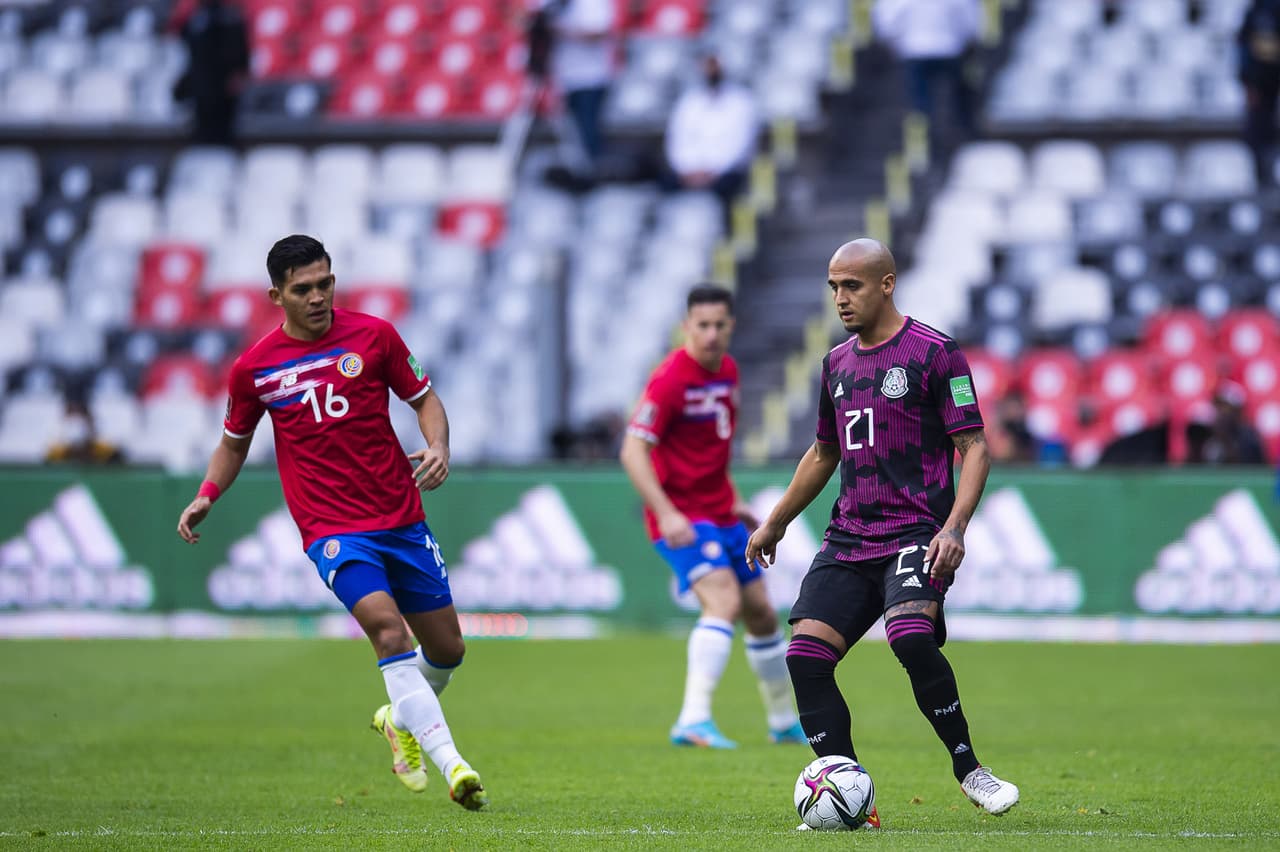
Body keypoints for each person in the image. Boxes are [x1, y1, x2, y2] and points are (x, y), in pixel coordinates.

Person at [176, 235, 487, 810]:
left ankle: (398, 720)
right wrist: (207, 494)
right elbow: (233, 442)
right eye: (303, 289)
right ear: (277, 296)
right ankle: (455, 766)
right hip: (332, 529)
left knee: (448, 650)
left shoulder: (375, 336)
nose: (317, 297)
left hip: (401, 517)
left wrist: (439, 444)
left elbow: (424, 399)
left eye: (325, 284)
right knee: (388, 632)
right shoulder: (254, 369)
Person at [745, 239, 1019, 828]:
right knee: (805, 657)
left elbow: (974, 446)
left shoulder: (936, 353)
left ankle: (971, 770)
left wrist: (955, 527)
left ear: (887, 284)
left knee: (911, 637)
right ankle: (850, 794)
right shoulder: (835, 364)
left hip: (917, 532)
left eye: (852, 285)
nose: (840, 298)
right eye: (834, 287)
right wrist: (777, 520)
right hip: (849, 537)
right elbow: (824, 451)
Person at [620, 284, 805, 749]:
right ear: (687, 326)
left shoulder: (728, 371)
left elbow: (713, 449)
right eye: (702, 325)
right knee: (723, 600)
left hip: (721, 511)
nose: (711, 334)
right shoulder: (669, 380)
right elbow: (632, 451)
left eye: (719, 325)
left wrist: (735, 499)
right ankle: (693, 719)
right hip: (682, 516)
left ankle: (784, 722)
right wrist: (666, 513)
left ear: (731, 326)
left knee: (761, 612)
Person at [664, 53, 759, 216]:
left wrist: (712, 171)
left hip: (724, 172)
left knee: (730, 189)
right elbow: (677, 140)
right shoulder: (689, 101)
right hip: (689, 171)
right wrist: (688, 170)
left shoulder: (741, 101)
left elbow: (740, 145)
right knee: (665, 184)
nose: (710, 71)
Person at [872, 0, 981, 138]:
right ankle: (957, 131)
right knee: (955, 97)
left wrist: (895, 44)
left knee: (919, 102)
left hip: (915, 51)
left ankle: (923, 140)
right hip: (949, 49)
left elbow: (886, 25)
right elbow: (971, 24)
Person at [538, 0, 617, 169]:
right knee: (566, 134)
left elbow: (599, 32)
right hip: (560, 78)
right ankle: (571, 172)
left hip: (589, 78)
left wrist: (559, 30)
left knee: (588, 133)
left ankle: (593, 173)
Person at [174, 0, 250, 147]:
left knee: (221, 131)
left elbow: (238, 53)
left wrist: (237, 73)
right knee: (201, 131)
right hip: (200, 88)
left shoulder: (228, 18)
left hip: (222, 90)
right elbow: (187, 52)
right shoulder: (195, 18)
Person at [1239, 0, 1280, 186]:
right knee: (1260, 128)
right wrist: (1249, 81)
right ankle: (1263, 176)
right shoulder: (1257, 12)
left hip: (1265, 78)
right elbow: (1244, 46)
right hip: (1261, 81)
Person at [1186, 381, 1267, 464]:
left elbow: (1253, 467)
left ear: (1237, 411)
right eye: (1218, 405)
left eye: (1225, 406)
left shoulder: (1248, 437)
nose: (1221, 411)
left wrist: (1226, 443)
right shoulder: (1206, 431)